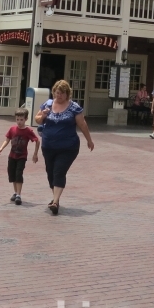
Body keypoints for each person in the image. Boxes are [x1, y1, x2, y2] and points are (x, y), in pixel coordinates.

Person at [34, 80, 94, 215]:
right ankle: (56, 197)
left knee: (59, 171)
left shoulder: (74, 107)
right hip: (48, 145)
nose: (58, 95)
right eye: (56, 92)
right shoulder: (47, 104)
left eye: (61, 93)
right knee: (50, 173)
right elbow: (37, 119)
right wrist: (43, 115)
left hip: (68, 147)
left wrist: (89, 140)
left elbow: (82, 125)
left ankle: (55, 202)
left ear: (67, 94)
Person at [0, 108, 40, 205]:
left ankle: (19, 195)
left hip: (22, 157)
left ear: (26, 119)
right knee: (12, 174)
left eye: (21, 120)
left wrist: (35, 154)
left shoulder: (28, 131)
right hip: (12, 155)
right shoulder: (12, 129)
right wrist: (1, 148)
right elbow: (7, 139)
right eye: (17, 119)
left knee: (18, 174)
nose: (19, 122)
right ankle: (15, 193)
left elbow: (37, 140)